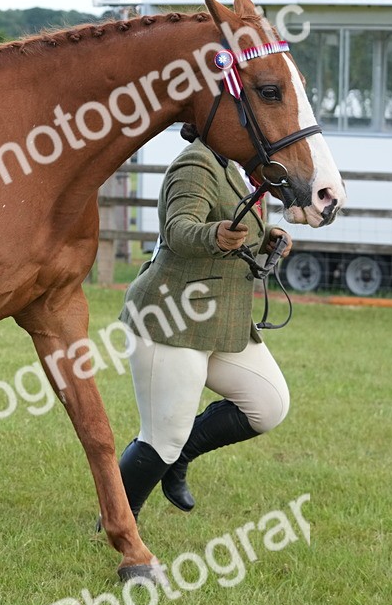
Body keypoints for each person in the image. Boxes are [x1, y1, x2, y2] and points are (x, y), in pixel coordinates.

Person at [116, 123, 293, 518]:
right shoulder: (197, 163)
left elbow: (232, 223)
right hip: (171, 320)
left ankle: (179, 457)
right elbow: (178, 229)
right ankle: (114, 521)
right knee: (162, 437)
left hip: (219, 319)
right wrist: (213, 235)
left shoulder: (231, 166)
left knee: (268, 404)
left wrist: (266, 239)